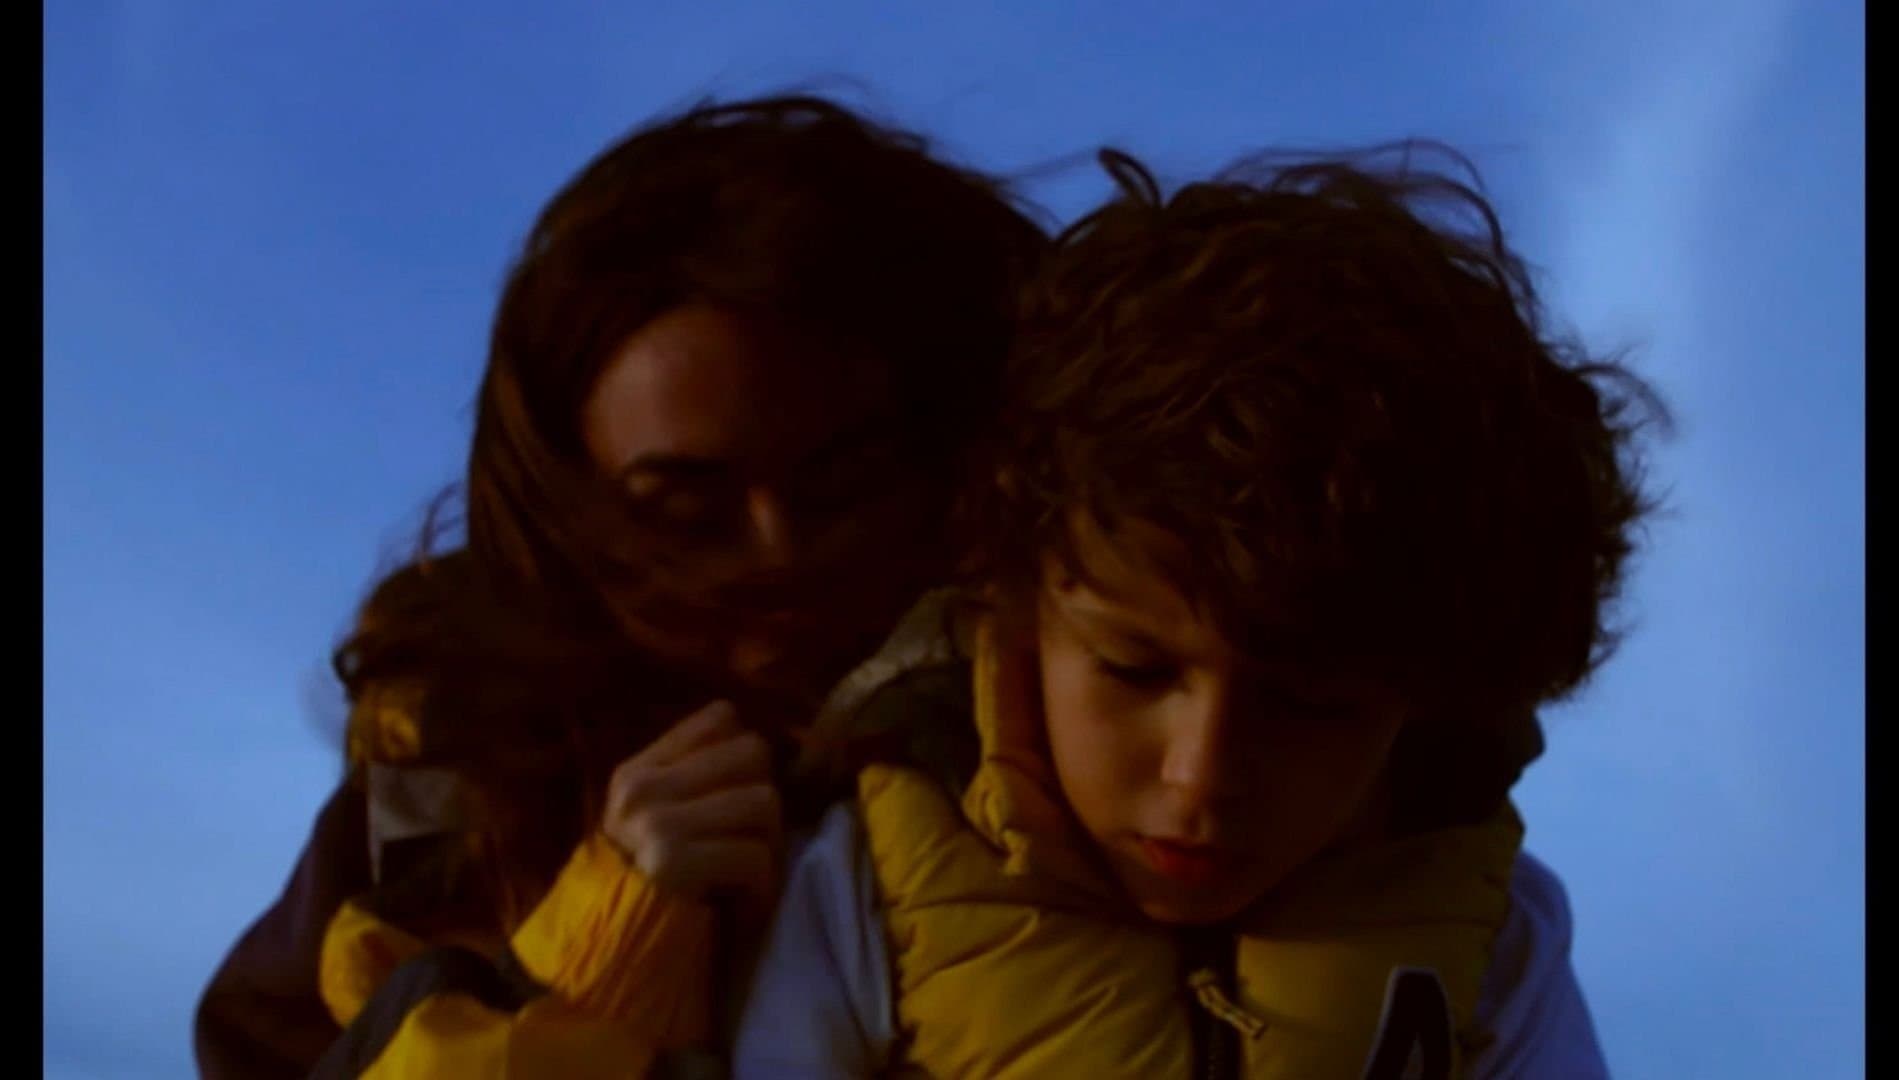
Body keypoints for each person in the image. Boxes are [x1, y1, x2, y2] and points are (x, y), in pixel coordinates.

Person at [732, 143, 1664, 1078]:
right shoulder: (864, 891)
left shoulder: (1498, 944)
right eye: (1135, 669)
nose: (1202, 777)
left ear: (1430, 696)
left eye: (1310, 705)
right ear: (1014, 602)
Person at [192, 92, 1047, 1079]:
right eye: (685, 511)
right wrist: (599, 957)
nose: (775, 551)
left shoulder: (1112, 694)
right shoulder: (449, 763)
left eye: (839, 484)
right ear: (567, 509)